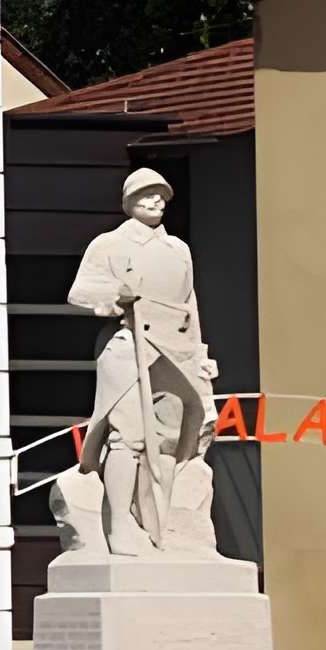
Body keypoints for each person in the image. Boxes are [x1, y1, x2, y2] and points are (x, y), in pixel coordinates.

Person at [65, 166, 217, 556]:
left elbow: (190, 307)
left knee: (168, 440)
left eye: (161, 195)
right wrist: (117, 294)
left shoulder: (177, 249)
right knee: (127, 437)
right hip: (129, 345)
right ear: (129, 202)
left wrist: (200, 354)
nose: (156, 201)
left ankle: (159, 521)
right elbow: (79, 292)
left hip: (175, 350)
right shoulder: (109, 244)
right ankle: (119, 523)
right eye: (146, 195)